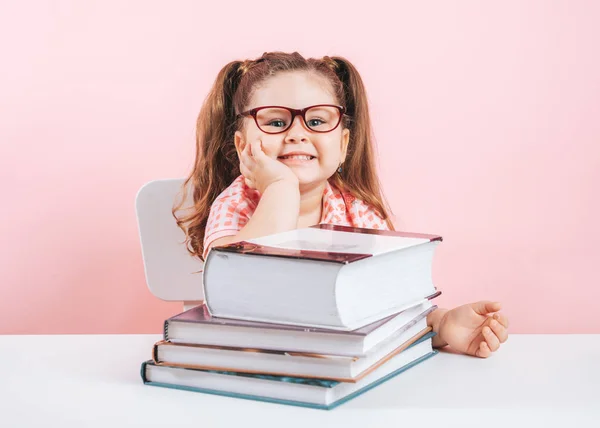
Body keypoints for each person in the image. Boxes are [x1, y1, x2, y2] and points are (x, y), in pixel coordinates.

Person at [174, 51, 508, 358]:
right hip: (251, 363)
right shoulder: (236, 204)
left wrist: (440, 323)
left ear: (344, 144)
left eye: (317, 121)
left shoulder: (356, 213)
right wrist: (281, 187)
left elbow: (386, 299)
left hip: (332, 365)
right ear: (243, 144)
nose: (296, 134)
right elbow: (233, 282)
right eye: (276, 122)